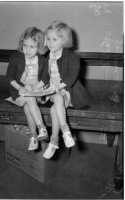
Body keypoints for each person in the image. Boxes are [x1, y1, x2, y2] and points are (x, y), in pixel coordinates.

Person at [43, 21, 90, 159]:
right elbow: (44, 75)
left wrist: (60, 87)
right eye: (48, 39)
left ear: (64, 40)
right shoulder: (47, 56)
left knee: (54, 110)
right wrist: (41, 86)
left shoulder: (73, 57)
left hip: (66, 90)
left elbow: (72, 76)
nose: (50, 43)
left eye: (54, 39)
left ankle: (54, 141)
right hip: (52, 91)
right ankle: (65, 131)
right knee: (56, 99)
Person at [6, 27, 50, 151]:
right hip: (19, 91)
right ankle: (41, 128)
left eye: (32, 47)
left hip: (37, 90)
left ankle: (33, 136)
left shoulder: (43, 60)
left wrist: (35, 87)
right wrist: (21, 88)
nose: (27, 50)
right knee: (29, 99)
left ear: (39, 47)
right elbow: (9, 77)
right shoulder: (15, 58)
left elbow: (46, 78)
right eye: (25, 45)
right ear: (21, 44)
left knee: (28, 107)